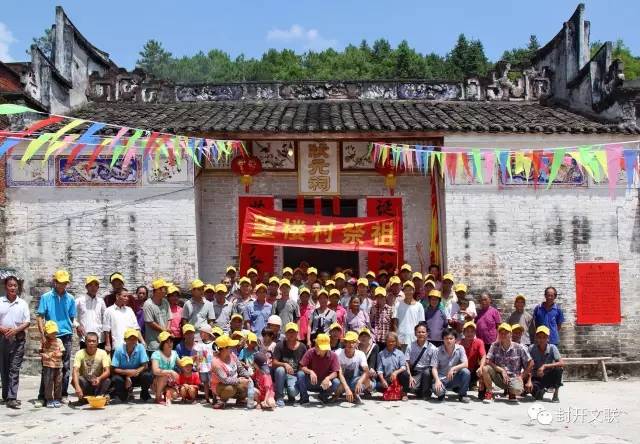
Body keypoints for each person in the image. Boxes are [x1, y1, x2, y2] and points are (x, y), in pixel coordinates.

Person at [37, 270, 76, 404]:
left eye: (65, 283)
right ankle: (43, 396)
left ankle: (62, 395)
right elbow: (40, 316)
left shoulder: (70, 298)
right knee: (47, 366)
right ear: (55, 282)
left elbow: (71, 316)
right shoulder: (46, 297)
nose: (63, 285)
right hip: (50, 336)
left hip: (66, 335)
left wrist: (70, 328)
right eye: (61, 282)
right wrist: (43, 336)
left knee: (64, 366)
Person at [482, 323, 533, 403]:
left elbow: (531, 363)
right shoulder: (494, 345)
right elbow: (488, 361)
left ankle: (512, 392)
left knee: (518, 390)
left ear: (511, 334)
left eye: (506, 333)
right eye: (501, 333)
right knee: (485, 369)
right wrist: (501, 370)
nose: (503, 335)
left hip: (513, 377)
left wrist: (522, 376)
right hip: (499, 376)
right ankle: (489, 392)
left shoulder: (520, 347)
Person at [0, 275, 30, 409]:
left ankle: (12, 397)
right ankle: (6, 395)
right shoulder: (0, 301)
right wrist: (2, 328)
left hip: (18, 340)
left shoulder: (22, 303)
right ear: (6, 287)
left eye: (15, 285)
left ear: (18, 287)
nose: (13, 287)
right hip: (2, 338)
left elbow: (27, 322)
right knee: (4, 368)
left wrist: (16, 330)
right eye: (10, 285)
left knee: (14, 368)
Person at [110, 327, 153, 403]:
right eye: (130, 338)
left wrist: (135, 372)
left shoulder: (140, 347)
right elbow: (113, 368)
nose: (133, 341)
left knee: (148, 375)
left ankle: (144, 393)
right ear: (125, 340)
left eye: (135, 339)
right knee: (116, 378)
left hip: (137, 374)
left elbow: (145, 365)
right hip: (123, 375)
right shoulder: (119, 349)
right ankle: (122, 394)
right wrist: (127, 373)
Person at [211, 335, 252, 409]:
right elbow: (225, 380)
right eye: (230, 346)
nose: (232, 348)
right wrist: (240, 381)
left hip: (234, 382)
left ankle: (240, 400)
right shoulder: (216, 363)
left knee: (247, 385)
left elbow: (240, 369)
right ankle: (222, 401)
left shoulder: (232, 355)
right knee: (230, 388)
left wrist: (248, 376)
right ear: (223, 348)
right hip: (220, 385)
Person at [298, 333, 341, 404]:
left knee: (336, 382)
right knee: (300, 374)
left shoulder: (333, 356)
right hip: (311, 382)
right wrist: (310, 372)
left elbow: (336, 372)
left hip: (325, 384)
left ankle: (324, 396)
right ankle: (304, 397)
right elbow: (301, 367)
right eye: (316, 345)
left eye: (320, 347)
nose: (317, 348)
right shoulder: (310, 352)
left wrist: (328, 378)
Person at [430, 327, 470, 402]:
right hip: (441, 379)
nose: (449, 341)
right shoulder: (437, 350)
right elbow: (434, 368)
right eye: (446, 338)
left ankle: (462, 395)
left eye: (451, 338)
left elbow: (465, 364)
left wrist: (453, 368)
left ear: (455, 339)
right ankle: (442, 393)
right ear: (443, 339)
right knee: (438, 392)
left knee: (466, 372)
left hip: (453, 378)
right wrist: (437, 380)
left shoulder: (460, 348)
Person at [272, 322, 307, 407]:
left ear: (297, 333)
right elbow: (274, 362)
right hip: (282, 375)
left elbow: (305, 364)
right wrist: (285, 364)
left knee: (293, 392)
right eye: (289, 332)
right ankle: (279, 397)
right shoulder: (280, 345)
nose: (291, 334)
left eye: (293, 332)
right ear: (285, 334)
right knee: (280, 369)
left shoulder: (302, 347)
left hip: (294, 376)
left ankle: (291, 395)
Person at [71, 332, 111, 404]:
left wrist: (99, 378)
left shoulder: (103, 353)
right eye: (89, 341)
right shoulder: (79, 353)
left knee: (107, 380)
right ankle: (84, 396)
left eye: (94, 341)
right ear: (85, 342)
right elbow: (75, 371)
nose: (91, 343)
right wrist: (77, 387)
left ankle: (99, 396)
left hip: (97, 381)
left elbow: (107, 371)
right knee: (78, 379)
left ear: (97, 343)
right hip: (86, 382)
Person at [528, 326, 564, 402]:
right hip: (536, 376)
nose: (541, 339)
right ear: (536, 338)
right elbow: (528, 365)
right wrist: (529, 380)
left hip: (548, 375)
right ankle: (541, 390)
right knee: (537, 395)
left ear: (548, 338)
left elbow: (561, 362)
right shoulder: (531, 348)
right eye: (539, 337)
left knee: (559, 369)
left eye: (544, 337)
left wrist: (544, 366)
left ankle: (555, 394)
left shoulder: (552, 348)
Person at [103, 288, 143, 353]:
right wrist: (107, 344)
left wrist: (142, 341)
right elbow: (106, 330)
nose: (127, 298)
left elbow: (136, 328)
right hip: (118, 346)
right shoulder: (109, 310)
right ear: (117, 296)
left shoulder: (129, 310)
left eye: (127, 296)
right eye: (124, 296)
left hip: (133, 346)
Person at [335, 331, 369, 404]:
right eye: (348, 342)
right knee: (335, 383)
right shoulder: (338, 353)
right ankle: (337, 394)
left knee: (368, 382)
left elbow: (366, 371)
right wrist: (347, 388)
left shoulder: (361, 354)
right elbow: (339, 373)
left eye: (353, 342)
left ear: (357, 343)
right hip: (341, 380)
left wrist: (359, 382)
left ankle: (354, 393)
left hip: (354, 380)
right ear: (344, 343)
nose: (351, 344)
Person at [405, 322, 437, 399]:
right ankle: (422, 390)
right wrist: (410, 376)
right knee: (411, 387)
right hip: (415, 372)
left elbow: (434, 366)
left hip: (428, 373)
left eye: (423, 332)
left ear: (427, 334)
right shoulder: (410, 346)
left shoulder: (433, 348)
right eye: (419, 332)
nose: (421, 334)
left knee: (426, 372)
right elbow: (406, 362)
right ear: (415, 334)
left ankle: (426, 393)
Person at [392, 281, 425, 352]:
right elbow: (395, 323)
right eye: (406, 290)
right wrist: (397, 338)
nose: (408, 292)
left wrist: (419, 338)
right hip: (401, 340)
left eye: (410, 289)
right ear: (403, 291)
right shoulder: (398, 305)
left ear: (413, 290)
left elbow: (421, 324)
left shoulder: (419, 306)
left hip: (414, 339)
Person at [376, 332, 409, 400]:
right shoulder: (381, 354)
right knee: (378, 386)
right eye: (389, 341)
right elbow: (379, 370)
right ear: (386, 341)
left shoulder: (400, 353)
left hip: (398, 377)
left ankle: (404, 393)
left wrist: (395, 372)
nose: (391, 343)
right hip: (388, 378)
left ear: (396, 342)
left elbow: (403, 367)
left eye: (393, 341)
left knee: (405, 374)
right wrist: (382, 380)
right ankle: (391, 391)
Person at [75, 276, 106, 349]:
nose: (93, 287)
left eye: (96, 285)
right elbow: (71, 315)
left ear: (98, 288)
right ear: (86, 287)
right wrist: (77, 326)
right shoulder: (79, 301)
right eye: (90, 285)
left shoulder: (101, 301)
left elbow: (106, 317)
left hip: (99, 338)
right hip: (85, 337)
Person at [40, 320, 65, 408]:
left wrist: (58, 354)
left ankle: (57, 398)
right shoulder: (44, 342)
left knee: (58, 382)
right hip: (48, 365)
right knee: (48, 382)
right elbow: (40, 352)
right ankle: (49, 399)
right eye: (51, 333)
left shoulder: (59, 341)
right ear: (46, 332)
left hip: (58, 365)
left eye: (55, 332)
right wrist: (45, 355)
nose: (53, 334)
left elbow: (62, 352)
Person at [150, 331, 179, 405]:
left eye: (171, 341)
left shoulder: (174, 353)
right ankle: (158, 397)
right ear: (162, 344)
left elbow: (182, 364)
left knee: (175, 395)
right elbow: (155, 371)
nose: (170, 344)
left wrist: (192, 360)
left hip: (169, 382)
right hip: (157, 382)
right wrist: (170, 371)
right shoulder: (156, 354)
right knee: (164, 375)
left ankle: (166, 392)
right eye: (167, 342)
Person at [144, 278, 171, 357]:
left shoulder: (165, 302)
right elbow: (150, 322)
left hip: (166, 341)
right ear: (158, 290)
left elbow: (169, 318)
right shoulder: (148, 304)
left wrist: (167, 330)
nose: (166, 290)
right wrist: (165, 330)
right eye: (164, 289)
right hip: (154, 343)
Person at [458, 321, 486, 397]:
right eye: (467, 331)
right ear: (463, 333)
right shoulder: (459, 344)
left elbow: (483, 356)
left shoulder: (479, 342)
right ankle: (461, 387)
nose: (469, 334)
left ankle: (482, 392)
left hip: (474, 371)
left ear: (475, 333)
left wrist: (481, 367)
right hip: (462, 371)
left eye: (472, 331)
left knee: (484, 368)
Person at [194, 324, 216, 404]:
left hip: (211, 367)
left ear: (207, 333)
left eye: (202, 332)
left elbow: (216, 355)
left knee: (212, 383)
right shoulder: (199, 344)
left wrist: (215, 366)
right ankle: (206, 398)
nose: (200, 334)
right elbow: (197, 355)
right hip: (203, 366)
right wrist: (197, 364)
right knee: (205, 383)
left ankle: (214, 398)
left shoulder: (213, 344)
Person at [357, 327, 379, 394]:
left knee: (372, 372)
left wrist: (371, 370)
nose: (363, 338)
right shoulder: (355, 347)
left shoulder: (374, 347)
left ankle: (366, 387)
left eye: (366, 336)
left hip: (370, 375)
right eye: (361, 335)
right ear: (358, 337)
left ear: (370, 337)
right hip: (358, 374)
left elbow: (372, 363)